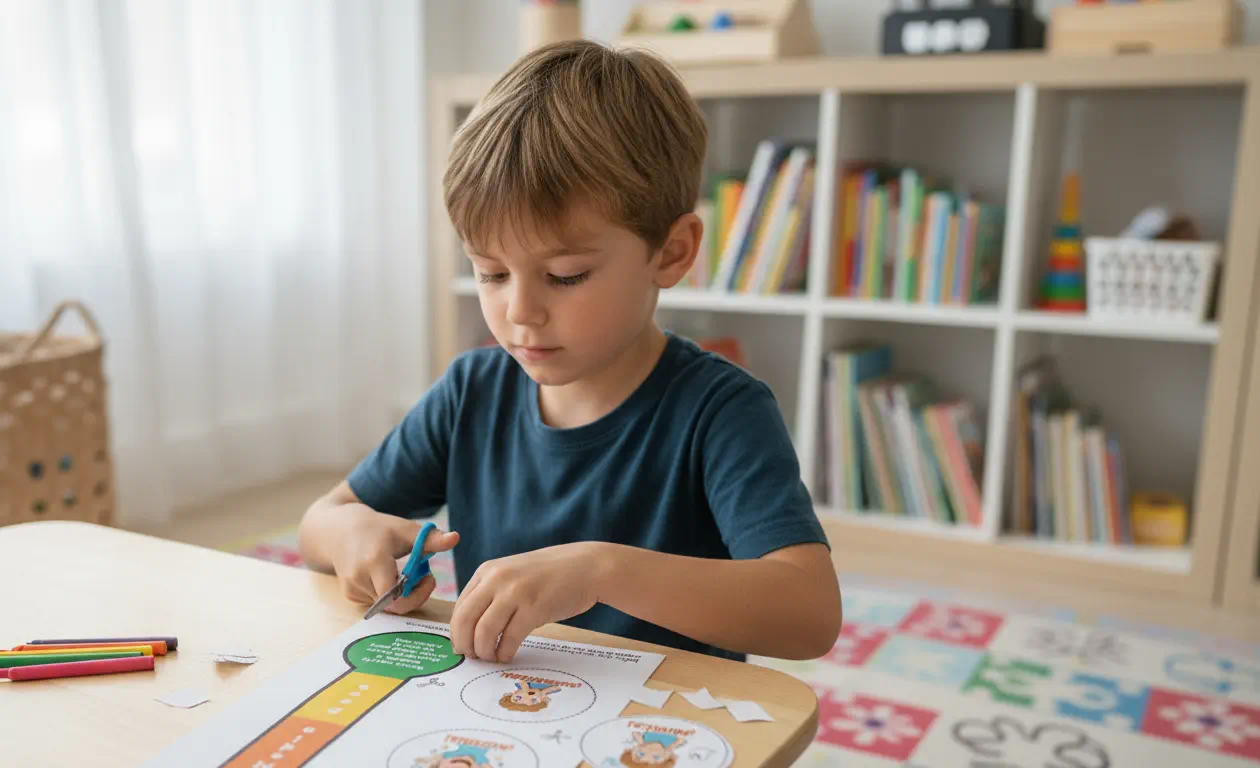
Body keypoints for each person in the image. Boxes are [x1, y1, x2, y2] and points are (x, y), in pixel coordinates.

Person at [298, 39, 842, 664]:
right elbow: (322, 519)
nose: (519, 312)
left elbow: (810, 614)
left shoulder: (722, 411)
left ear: (671, 253)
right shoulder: (473, 390)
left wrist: (600, 571)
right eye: (491, 273)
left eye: (565, 276)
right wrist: (351, 533)